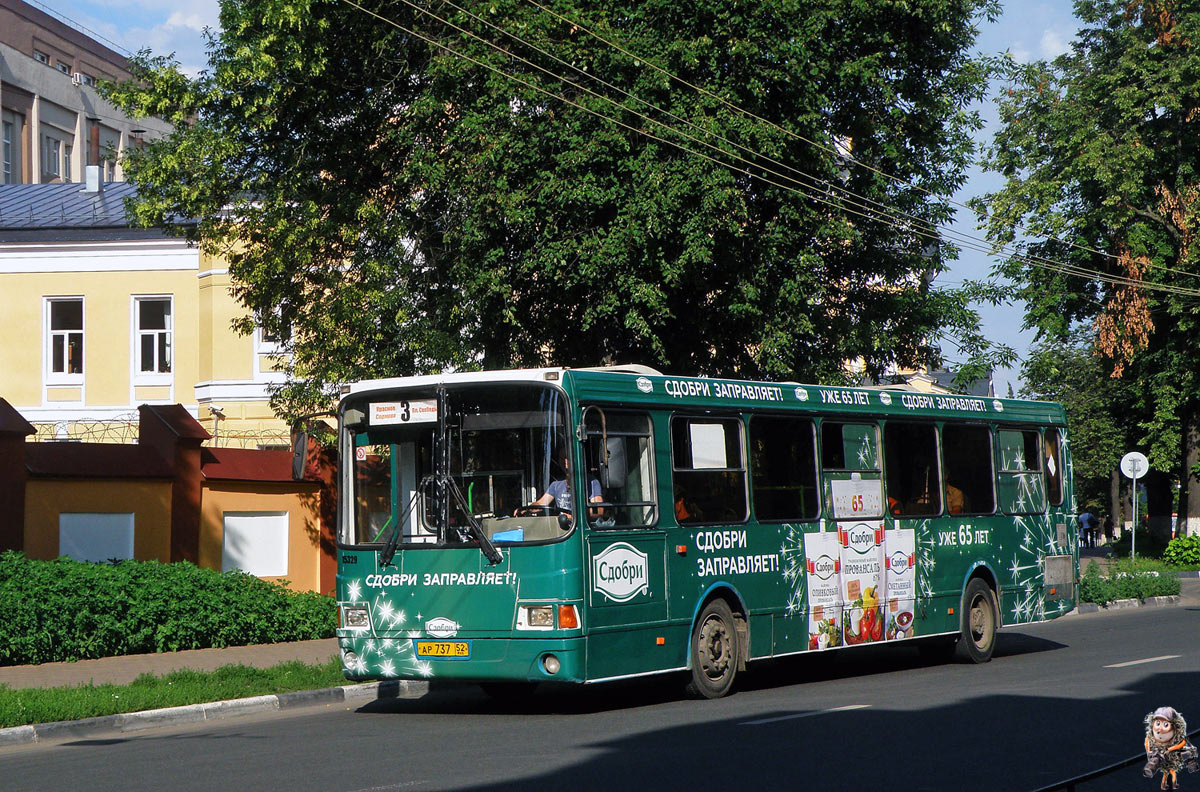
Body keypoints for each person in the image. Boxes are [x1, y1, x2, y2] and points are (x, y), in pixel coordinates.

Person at [520, 450, 602, 517]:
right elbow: (540, 504)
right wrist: (527, 508)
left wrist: (575, 515)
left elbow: (599, 510)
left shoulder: (591, 482)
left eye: (569, 457)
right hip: (563, 531)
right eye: (562, 458)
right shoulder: (556, 485)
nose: (565, 461)